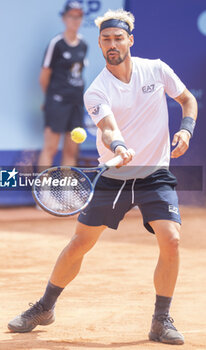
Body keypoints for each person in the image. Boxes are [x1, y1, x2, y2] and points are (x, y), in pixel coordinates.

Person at [8, 9, 198, 345]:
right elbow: (108, 127)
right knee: (81, 243)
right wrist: (120, 146)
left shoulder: (156, 69)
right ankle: (44, 306)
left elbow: (187, 99)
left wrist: (185, 130)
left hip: (156, 175)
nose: (112, 44)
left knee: (171, 239)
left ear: (130, 40)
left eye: (118, 38)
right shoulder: (97, 89)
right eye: (106, 39)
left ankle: (160, 320)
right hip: (115, 176)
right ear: (99, 44)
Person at [38, 0, 88, 167]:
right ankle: (42, 191)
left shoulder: (83, 45)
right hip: (58, 102)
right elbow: (44, 75)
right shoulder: (56, 44)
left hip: (76, 103)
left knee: (71, 150)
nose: (75, 20)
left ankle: (67, 192)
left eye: (79, 17)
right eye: (71, 16)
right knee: (50, 148)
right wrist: (51, 99)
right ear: (64, 18)